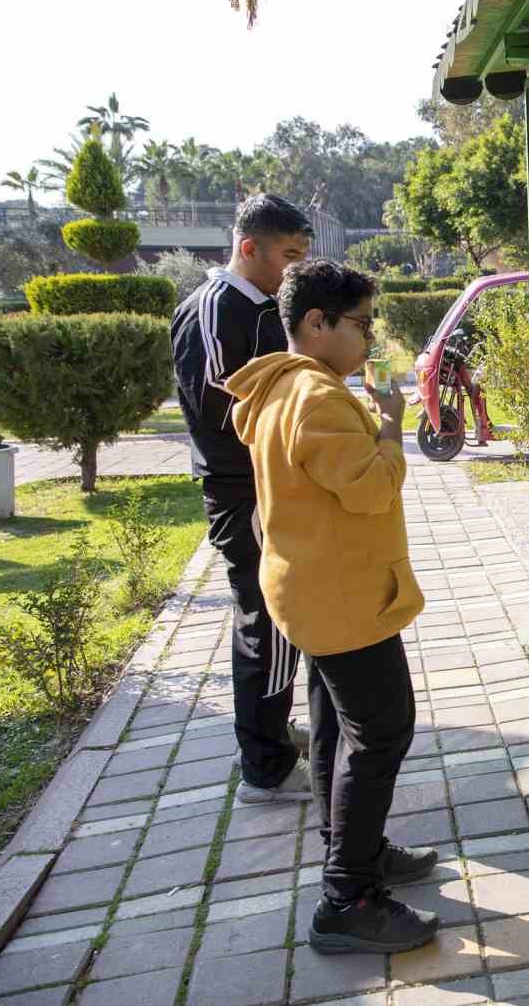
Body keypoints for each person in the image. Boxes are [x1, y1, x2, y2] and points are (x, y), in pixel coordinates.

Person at [226, 258, 439, 953]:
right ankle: (347, 898)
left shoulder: (285, 386)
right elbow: (373, 490)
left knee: (335, 731)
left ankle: (356, 853)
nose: (369, 339)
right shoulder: (316, 398)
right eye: (360, 324)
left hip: (312, 591)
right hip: (344, 600)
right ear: (315, 325)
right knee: (382, 733)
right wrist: (390, 428)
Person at [172, 194, 314, 803]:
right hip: (244, 492)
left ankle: (272, 734)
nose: (297, 268)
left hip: (272, 486)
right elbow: (216, 402)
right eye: (288, 255)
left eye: (304, 255)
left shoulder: (262, 307)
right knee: (269, 620)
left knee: (282, 614)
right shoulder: (213, 308)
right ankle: (266, 768)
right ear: (248, 247)